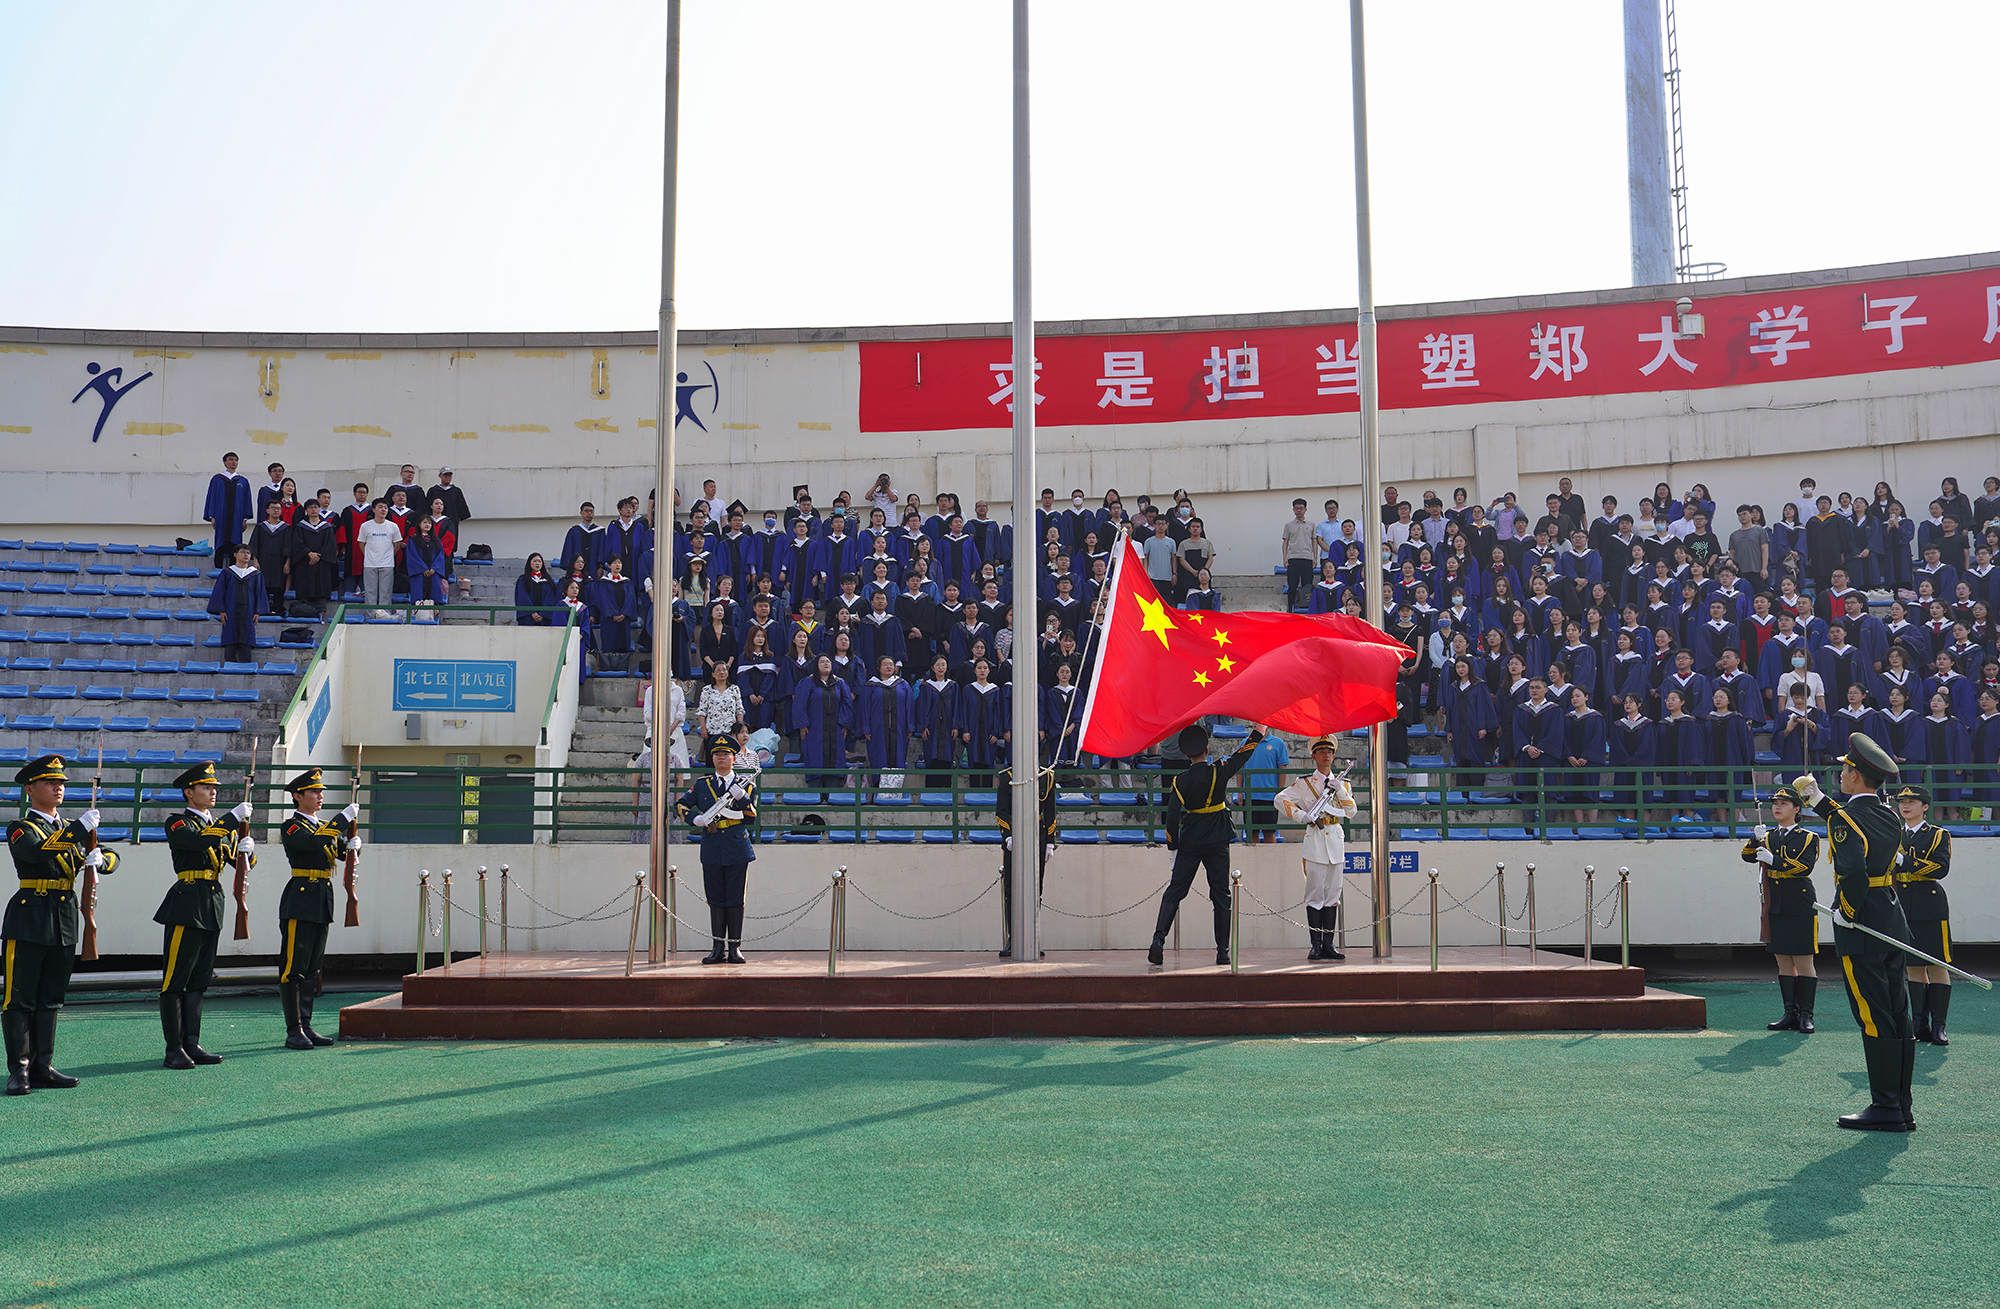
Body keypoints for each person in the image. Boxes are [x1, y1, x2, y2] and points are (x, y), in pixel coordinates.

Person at [1795, 734, 1915, 1132]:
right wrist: (1815, 798)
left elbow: (1854, 874)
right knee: (1898, 1014)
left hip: (1861, 926)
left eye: (1845, 770)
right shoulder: (1890, 815)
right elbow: (1851, 818)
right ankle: (1901, 1105)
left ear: (1856, 776)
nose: (1841, 774)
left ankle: (1885, 1108)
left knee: (1874, 1017)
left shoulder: (1844, 819)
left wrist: (1845, 912)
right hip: (1891, 920)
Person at [3, 754, 117, 1094]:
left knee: (51, 997)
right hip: (29, 918)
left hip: (64, 917)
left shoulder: (69, 827)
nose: (58, 788)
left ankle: (43, 1066)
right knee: (19, 997)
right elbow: (38, 852)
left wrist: (101, 860)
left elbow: (113, 856)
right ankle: (19, 1070)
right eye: (50, 782)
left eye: (61, 783)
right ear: (30, 789)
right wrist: (80, 829)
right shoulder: (21, 828)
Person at [158, 761, 252, 1070]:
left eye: (214, 787)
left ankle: (191, 1043)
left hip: (212, 904)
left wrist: (247, 850)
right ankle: (173, 1049)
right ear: (189, 792)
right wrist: (232, 819)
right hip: (186, 905)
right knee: (176, 980)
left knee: (199, 980)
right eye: (206, 787)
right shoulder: (178, 823)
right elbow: (199, 841)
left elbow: (240, 863)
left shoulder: (218, 828)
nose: (213, 792)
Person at [1147, 724, 1264, 967]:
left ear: (1185, 754)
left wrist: (1173, 848)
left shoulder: (1181, 780)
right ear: (1207, 750)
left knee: (1175, 890)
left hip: (1190, 840)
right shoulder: (1219, 770)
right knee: (1220, 893)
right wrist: (1259, 731)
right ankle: (1223, 951)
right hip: (1217, 838)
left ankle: (1158, 940)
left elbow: (1171, 818)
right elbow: (1244, 753)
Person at [276, 769, 358, 1051]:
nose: (320, 796)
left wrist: (353, 846)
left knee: (312, 968)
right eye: (314, 792)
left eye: (321, 792)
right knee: (293, 967)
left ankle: (306, 1025)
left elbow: (340, 851)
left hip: (322, 898)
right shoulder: (292, 826)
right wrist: (342, 820)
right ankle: (293, 1030)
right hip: (300, 899)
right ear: (298, 796)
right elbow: (313, 843)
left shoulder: (323, 826)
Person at [1741, 783, 1822, 1033]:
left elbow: (1804, 867)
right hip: (1775, 901)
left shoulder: (1808, 837)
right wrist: (1755, 838)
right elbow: (1746, 855)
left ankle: (1806, 1015)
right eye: (1775, 804)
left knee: (1803, 960)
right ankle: (1790, 1013)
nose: (1777, 807)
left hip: (1799, 901)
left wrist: (1774, 860)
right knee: (1783, 961)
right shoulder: (1768, 836)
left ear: (1797, 809)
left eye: (1783, 804)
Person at [673, 738, 758, 964]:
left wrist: (742, 798)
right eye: (717, 754)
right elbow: (680, 805)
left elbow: (751, 818)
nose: (721, 758)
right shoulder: (702, 784)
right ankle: (718, 947)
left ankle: (735, 947)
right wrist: (695, 819)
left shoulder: (746, 785)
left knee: (736, 899)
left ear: (734, 758)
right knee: (715, 899)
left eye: (726, 754)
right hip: (712, 845)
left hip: (736, 846)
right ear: (712, 759)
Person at [1274, 738, 1357, 961]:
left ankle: (1329, 944)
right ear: (1313, 756)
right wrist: (1302, 816)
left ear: (1334, 756)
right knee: (1314, 895)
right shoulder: (1304, 783)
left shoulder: (1343, 784)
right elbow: (1280, 799)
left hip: (1335, 841)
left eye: (1329, 751)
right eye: (1321, 751)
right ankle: (1316, 945)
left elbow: (1351, 812)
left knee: (1333, 895)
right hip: (1315, 841)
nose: (1326, 755)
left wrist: (1340, 791)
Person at [1894, 784, 1954, 1047]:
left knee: (1937, 964)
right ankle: (1920, 1023)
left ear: (1925, 806)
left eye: (1912, 802)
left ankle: (1939, 1025)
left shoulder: (1938, 834)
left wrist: (1905, 862)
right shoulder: (1894, 834)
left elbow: (1940, 868)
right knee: (1913, 966)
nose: (1905, 806)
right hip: (1902, 904)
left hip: (1929, 903)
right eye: (1902, 802)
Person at [993, 761, 1058, 959]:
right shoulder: (1007, 777)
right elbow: (1001, 811)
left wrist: (1050, 842)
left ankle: (1033, 937)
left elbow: (1050, 812)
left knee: (1035, 890)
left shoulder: (1046, 777)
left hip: (1037, 835)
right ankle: (1013, 939)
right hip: (1015, 833)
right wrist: (1008, 836)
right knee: (1011, 890)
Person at [206, 542, 267, 665]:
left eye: (248, 553)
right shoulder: (227, 573)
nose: (246, 555)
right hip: (230, 612)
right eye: (243, 552)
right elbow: (220, 592)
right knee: (230, 638)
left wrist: (257, 611)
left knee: (247, 640)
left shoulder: (255, 574)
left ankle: (245, 666)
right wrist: (221, 610)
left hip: (249, 612)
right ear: (235, 555)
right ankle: (229, 665)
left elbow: (260, 593)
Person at [203, 452, 254, 569]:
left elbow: (246, 500)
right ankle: (218, 570)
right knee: (220, 543)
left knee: (235, 546)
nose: (234, 462)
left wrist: (244, 519)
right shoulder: (217, 479)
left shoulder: (243, 481)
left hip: (237, 518)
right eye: (231, 459)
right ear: (225, 462)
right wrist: (212, 516)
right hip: (221, 516)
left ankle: (233, 572)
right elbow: (212, 497)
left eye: (236, 460)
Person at [354, 499, 402, 616]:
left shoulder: (393, 526)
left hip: (387, 564)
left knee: (386, 592)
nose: (383, 510)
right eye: (380, 507)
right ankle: (370, 616)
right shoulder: (365, 526)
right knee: (370, 592)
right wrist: (369, 556)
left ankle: (385, 615)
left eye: (385, 507)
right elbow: (362, 543)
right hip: (370, 564)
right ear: (374, 510)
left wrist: (389, 555)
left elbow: (397, 544)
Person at [289, 501, 337, 614]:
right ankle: (303, 615)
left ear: (319, 509)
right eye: (310, 507)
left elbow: (329, 545)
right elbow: (297, 544)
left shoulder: (326, 527)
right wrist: (309, 553)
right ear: (306, 510)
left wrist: (318, 556)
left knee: (321, 594)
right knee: (304, 590)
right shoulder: (300, 527)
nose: (313, 509)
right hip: (305, 563)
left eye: (315, 507)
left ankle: (321, 618)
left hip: (322, 564)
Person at [404, 517, 451, 607]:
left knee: (434, 595)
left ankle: (433, 613)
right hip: (419, 573)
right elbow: (412, 555)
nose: (427, 525)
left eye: (429, 523)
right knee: (418, 598)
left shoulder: (436, 540)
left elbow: (440, 556)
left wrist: (434, 568)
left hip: (433, 573)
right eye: (424, 522)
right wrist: (423, 568)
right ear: (419, 524)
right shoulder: (413, 540)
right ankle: (419, 613)